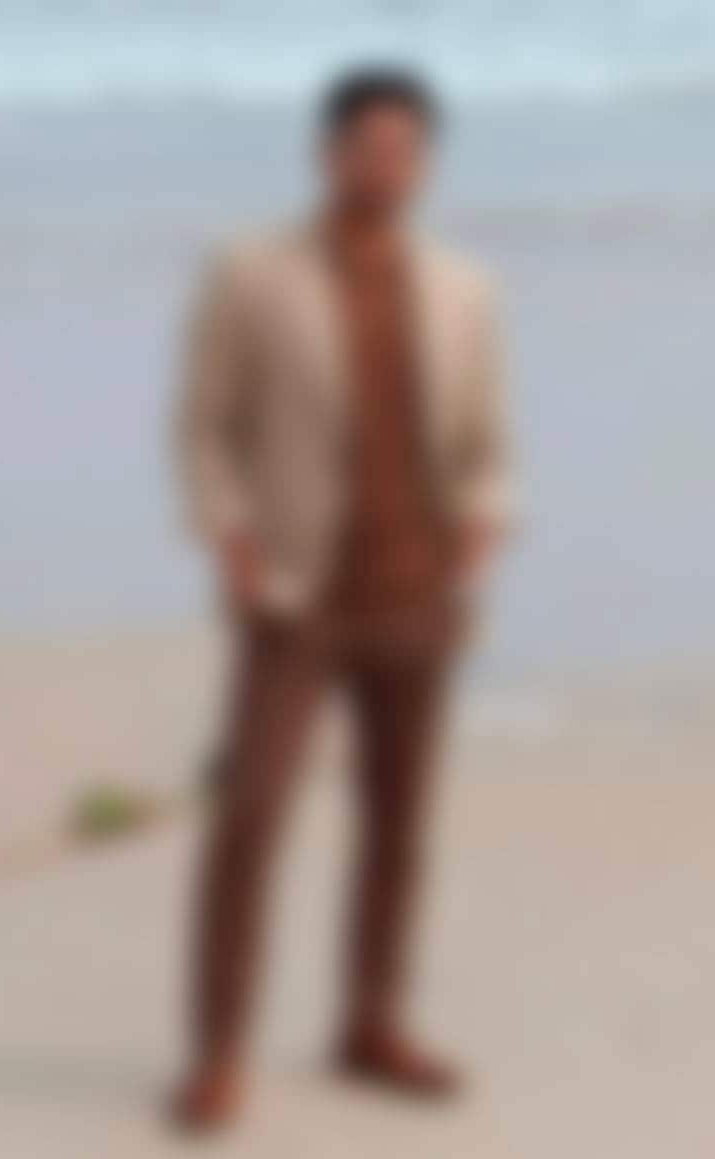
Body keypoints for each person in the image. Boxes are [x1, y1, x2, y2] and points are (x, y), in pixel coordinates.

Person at [173, 66, 517, 1130]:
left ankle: (371, 1022)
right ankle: (218, 1052)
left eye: (405, 149)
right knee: (250, 818)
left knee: (399, 823)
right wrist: (229, 537)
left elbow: (485, 441)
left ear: (424, 164)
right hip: (297, 597)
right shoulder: (251, 272)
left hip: (416, 595)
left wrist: (483, 518)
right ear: (327, 153)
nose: (385, 166)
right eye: (367, 146)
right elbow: (203, 426)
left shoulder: (460, 287)